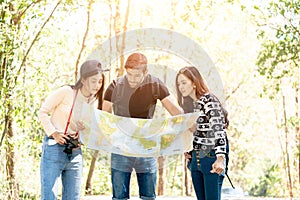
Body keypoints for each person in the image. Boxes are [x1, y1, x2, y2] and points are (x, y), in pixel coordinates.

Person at [102, 52, 183, 200]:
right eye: (129, 74)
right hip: (120, 146)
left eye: (137, 75)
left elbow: (176, 112)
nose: (132, 79)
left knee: (148, 196)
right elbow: (102, 115)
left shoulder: (155, 85)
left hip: (146, 146)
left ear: (145, 73)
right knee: (119, 197)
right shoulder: (115, 86)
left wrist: (180, 130)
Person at [38, 60, 105, 200]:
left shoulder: (94, 101)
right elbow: (42, 112)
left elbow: (90, 128)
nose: (97, 85)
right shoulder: (66, 92)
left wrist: (83, 132)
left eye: (100, 82)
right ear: (84, 79)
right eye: (94, 81)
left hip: (75, 152)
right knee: (49, 196)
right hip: (54, 148)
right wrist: (54, 133)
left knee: (73, 197)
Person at [175, 66, 228, 200]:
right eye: (179, 84)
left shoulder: (209, 100)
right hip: (196, 159)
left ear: (194, 83)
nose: (181, 87)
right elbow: (194, 132)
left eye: (184, 82)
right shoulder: (190, 105)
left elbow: (219, 130)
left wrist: (220, 159)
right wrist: (188, 149)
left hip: (211, 157)